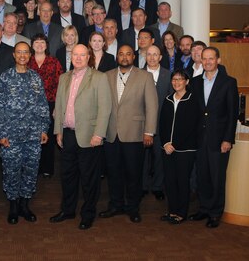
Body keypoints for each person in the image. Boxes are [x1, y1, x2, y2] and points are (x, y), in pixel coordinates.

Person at [50, 44, 112, 230]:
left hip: (89, 136)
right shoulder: (64, 77)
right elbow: (59, 106)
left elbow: (105, 107)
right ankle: (68, 210)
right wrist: (58, 131)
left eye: (82, 55)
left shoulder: (99, 77)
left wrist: (99, 133)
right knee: (67, 176)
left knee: (89, 179)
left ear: (88, 57)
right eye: (75, 55)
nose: (77, 58)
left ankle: (88, 214)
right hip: (67, 134)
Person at [0, 42, 50, 225]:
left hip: (33, 136)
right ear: (14, 55)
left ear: (30, 55)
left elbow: (43, 105)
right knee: (11, 171)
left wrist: (44, 128)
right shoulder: (6, 77)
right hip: (11, 137)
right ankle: (13, 206)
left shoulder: (35, 78)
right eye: (19, 52)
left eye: (26, 52)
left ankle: (25, 205)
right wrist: (0, 133)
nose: (22, 55)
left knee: (31, 171)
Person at [100, 44, 158, 223]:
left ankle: (133, 207)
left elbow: (152, 106)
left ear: (134, 57)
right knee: (113, 172)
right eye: (121, 54)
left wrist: (149, 132)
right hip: (111, 133)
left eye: (128, 54)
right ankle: (115, 204)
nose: (124, 57)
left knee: (133, 173)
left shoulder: (145, 76)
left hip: (135, 133)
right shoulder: (106, 76)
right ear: (116, 56)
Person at [189, 47, 239, 228]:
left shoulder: (229, 82)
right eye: (205, 59)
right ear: (201, 61)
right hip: (199, 139)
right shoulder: (194, 83)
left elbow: (232, 114)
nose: (208, 62)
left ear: (218, 60)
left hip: (219, 140)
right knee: (202, 175)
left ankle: (215, 212)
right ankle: (203, 208)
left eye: (211, 58)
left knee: (217, 177)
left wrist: (228, 139)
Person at [159, 69, 199, 224]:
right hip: (167, 149)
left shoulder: (192, 99)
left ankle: (181, 213)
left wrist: (174, 144)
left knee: (182, 181)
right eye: (174, 79)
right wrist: (165, 143)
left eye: (180, 79)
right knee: (169, 181)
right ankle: (172, 211)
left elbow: (190, 127)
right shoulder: (168, 99)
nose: (176, 82)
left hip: (185, 149)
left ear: (187, 82)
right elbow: (162, 123)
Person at [28, 34, 63, 178]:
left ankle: (47, 167)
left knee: (47, 136)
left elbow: (61, 85)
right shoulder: (27, 61)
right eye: (36, 42)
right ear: (32, 45)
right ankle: (32, 168)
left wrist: (57, 106)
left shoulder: (54, 62)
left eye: (42, 42)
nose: (39, 45)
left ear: (46, 45)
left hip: (49, 103)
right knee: (31, 136)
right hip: (29, 105)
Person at [142, 45, 172, 201]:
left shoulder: (168, 75)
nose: (152, 57)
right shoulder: (138, 74)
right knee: (142, 157)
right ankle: (142, 186)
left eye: (155, 55)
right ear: (145, 56)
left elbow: (170, 101)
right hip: (141, 123)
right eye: (149, 54)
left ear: (160, 57)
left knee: (159, 157)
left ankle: (158, 186)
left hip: (161, 123)